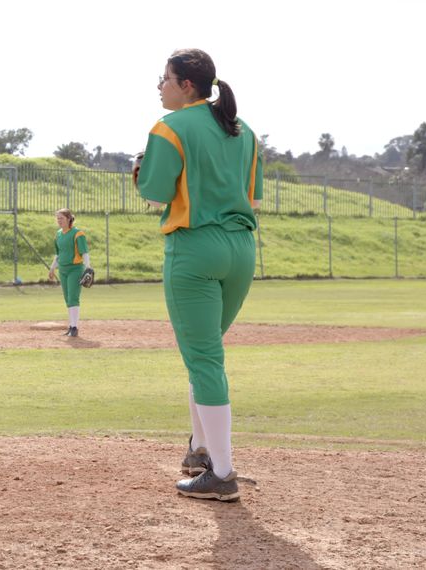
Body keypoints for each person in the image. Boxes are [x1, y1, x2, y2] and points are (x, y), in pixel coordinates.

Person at [135, 48, 263, 502]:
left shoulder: (170, 127)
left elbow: (153, 193)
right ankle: (199, 450)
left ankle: (222, 473)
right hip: (242, 249)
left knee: (204, 360)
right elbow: (254, 198)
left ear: (186, 84)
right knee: (205, 355)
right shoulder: (243, 129)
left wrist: (138, 174)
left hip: (195, 248)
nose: (160, 85)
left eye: (165, 78)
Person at [47, 208, 92, 337]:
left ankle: (74, 327)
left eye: (61, 218)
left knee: (73, 297)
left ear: (68, 219)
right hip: (63, 269)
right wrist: (52, 268)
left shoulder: (78, 234)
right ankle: (71, 326)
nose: (59, 221)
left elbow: (84, 252)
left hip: (75, 269)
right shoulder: (58, 234)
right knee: (67, 298)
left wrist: (87, 268)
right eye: (57, 218)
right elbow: (59, 254)